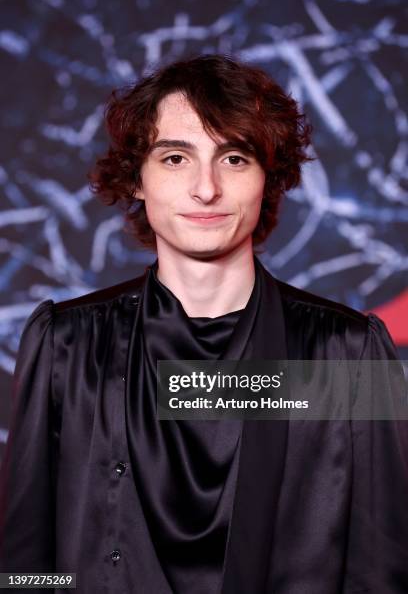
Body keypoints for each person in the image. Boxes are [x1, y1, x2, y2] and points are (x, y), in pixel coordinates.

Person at [0, 54, 407, 594]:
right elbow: (23, 570)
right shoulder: (67, 345)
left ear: (270, 177)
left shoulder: (349, 353)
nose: (206, 189)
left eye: (235, 158)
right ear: (137, 179)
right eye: (175, 158)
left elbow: (385, 572)